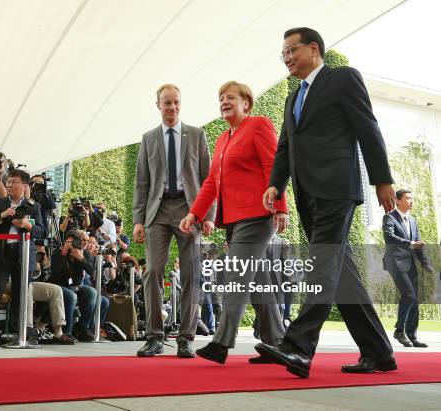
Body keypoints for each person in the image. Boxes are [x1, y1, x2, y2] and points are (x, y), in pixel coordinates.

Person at [256, 27, 397, 378]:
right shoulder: (292, 98)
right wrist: (276, 184)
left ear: (314, 49)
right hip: (308, 194)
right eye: (283, 54)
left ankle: (298, 347)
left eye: (291, 50)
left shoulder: (343, 78)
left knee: (322, 264)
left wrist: (382, 180)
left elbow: (368, 128)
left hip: (337, 188)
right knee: (342, 274)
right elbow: (286, 147)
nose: (286, 58)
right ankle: (379, 352)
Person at [180, 81, 288, 364]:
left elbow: (273, 167)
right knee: (257, 280)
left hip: (257, 215)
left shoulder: (259, 125)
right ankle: (276, 341)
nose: (224, 102)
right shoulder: (222, 140)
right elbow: (211, 183)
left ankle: (221, 342)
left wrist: (281, 207)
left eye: (230, 97)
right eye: (220, 98)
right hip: (233, 221)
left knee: (235, 276)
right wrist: (195, 213)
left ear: (246, 103)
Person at [133, 83, 215, 358]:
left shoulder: (197, 135)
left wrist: (208, 216)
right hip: (157, 212)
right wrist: (138, 220)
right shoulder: (148, 138)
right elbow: (142, 182)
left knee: (192, 273)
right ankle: (155, 336)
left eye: (177, 102)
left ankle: (186, 338)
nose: (172, 107)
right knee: (153, 271)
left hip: (189, 210)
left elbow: (208, 180)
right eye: (167, 103)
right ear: (158, 105)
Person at [0, 169, 45, 348]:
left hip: (23, 254)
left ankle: (17, 334)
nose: (9, 184)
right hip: (1, 254)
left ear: (24, 186)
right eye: (8, 181)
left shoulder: (33, 207)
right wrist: (2, 215)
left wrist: (27, 225)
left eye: (14, 182)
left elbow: (42, 232)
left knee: (20, 297)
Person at [383, 189, 432, 348]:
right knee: (409, 294)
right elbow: (389, 237)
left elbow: (418, 245)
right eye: (408, 198)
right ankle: (399, 330)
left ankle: (412, 335)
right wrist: (410, 244)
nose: (411, 201)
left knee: (415, 299)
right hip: (395, 263)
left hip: (410, 264)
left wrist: (427, 265)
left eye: (412, 198)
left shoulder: (412, 221)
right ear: (397, 201)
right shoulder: (389, 218)